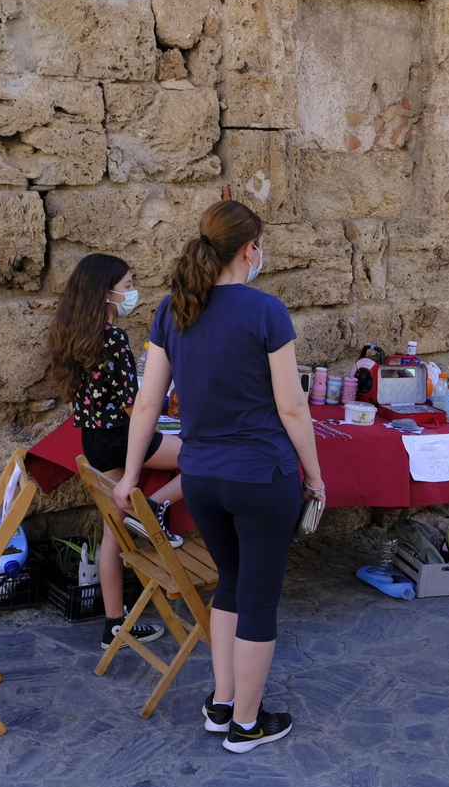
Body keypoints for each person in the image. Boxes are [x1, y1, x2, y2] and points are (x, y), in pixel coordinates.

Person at [116, 200, 323, 753]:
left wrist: (131, 475)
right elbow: (294, 408)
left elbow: (145, 405)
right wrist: (317, 476)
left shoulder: (172, 310)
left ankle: (223, 701)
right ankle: (247, 725)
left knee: (230, 585)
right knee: (257, 598)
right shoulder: (266, 311)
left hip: (202, 477)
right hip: (261, 476)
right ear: (250, 249)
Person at [47, 253, 184, 650]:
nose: (131, 292)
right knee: (204, 458)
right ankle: (154, 507)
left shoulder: (70, 333)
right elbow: (133, 406)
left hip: (94, 440)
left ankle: (113, 625)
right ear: (105, 293)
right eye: (126, 286)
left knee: (112, 528)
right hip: (124, 436)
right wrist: (159, 418)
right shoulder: (114, 339)